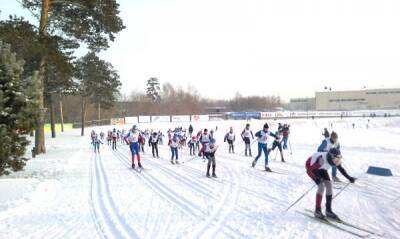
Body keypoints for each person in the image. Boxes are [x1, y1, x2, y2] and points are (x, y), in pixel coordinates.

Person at [305, 148, 356, 220]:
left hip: (321, 168)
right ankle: (317, 210)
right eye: (336, 159)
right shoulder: (321, 159)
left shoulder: (334, 160)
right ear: (332, 156)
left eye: (339, 159)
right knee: (321, 187)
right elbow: (308, 169)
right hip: (312, 167)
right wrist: (315, 178)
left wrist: (349, 178)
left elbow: (341, 169)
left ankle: (328, 210)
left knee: (329, 185)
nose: (338, 161)